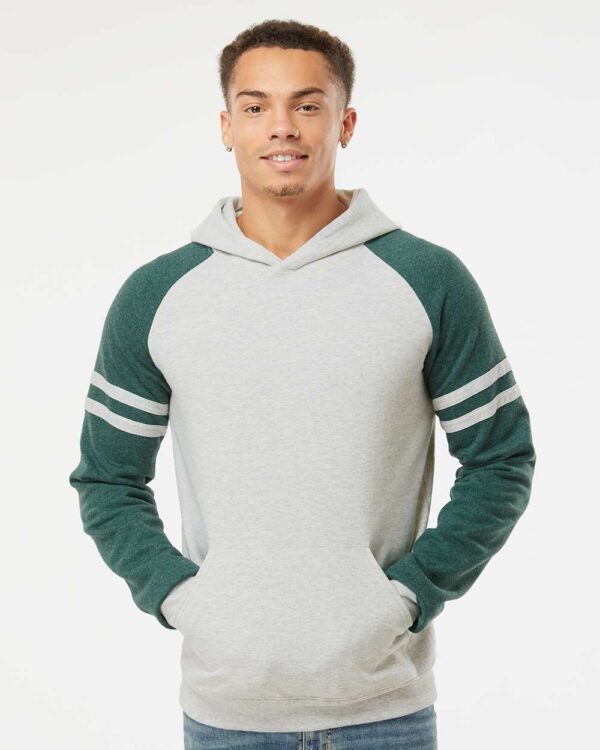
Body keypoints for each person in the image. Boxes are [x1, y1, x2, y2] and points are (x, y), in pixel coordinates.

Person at [68, 18, 536, 750]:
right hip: (227, 716)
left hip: (384, 711)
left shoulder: (428, 279)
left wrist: (410, 596)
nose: (281, 127)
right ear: (226, 126)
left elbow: (501, 459)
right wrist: (179, 597)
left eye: (307, 105)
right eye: (255, 106)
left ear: (345, 123)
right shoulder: (157, 295)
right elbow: (107, 478)